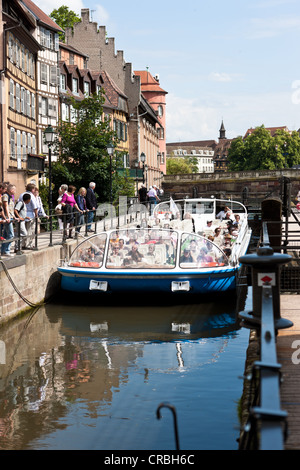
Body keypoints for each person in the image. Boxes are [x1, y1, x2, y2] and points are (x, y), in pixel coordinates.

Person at [18, 183, 39, 249]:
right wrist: (36, 215)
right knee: (30, 230)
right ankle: (28, 245)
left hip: (22, 214)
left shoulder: (21, 194)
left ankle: (22, 244)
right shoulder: (31, 196)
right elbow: (35, 207)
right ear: (32, 189)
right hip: (30, 215)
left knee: (23, 230)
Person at [1, 184, 17, 257]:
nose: (15, 191)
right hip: (7, 218)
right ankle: (6, 251)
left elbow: (11, 208)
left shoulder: (10, 197)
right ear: (11, 190)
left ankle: (3, 250)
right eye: (15, 190)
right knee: (11, 235)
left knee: (5, 234)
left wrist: (14, 216)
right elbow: (5, 206)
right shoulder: (5, 196)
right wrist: (7, 217)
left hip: (10, 217)